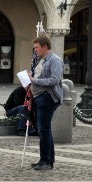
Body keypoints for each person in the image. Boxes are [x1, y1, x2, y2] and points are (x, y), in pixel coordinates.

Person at [29, 35, 63, 171]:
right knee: (44, 129)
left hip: (48, 97)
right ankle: (48, 159)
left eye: (37, 48)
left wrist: (34, 81)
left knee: (43, 129)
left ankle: (45, 161)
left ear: (45, 47)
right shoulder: (40, 60)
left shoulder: (55, 60)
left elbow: (54, 80)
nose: (35, 50)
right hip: (39, 96)